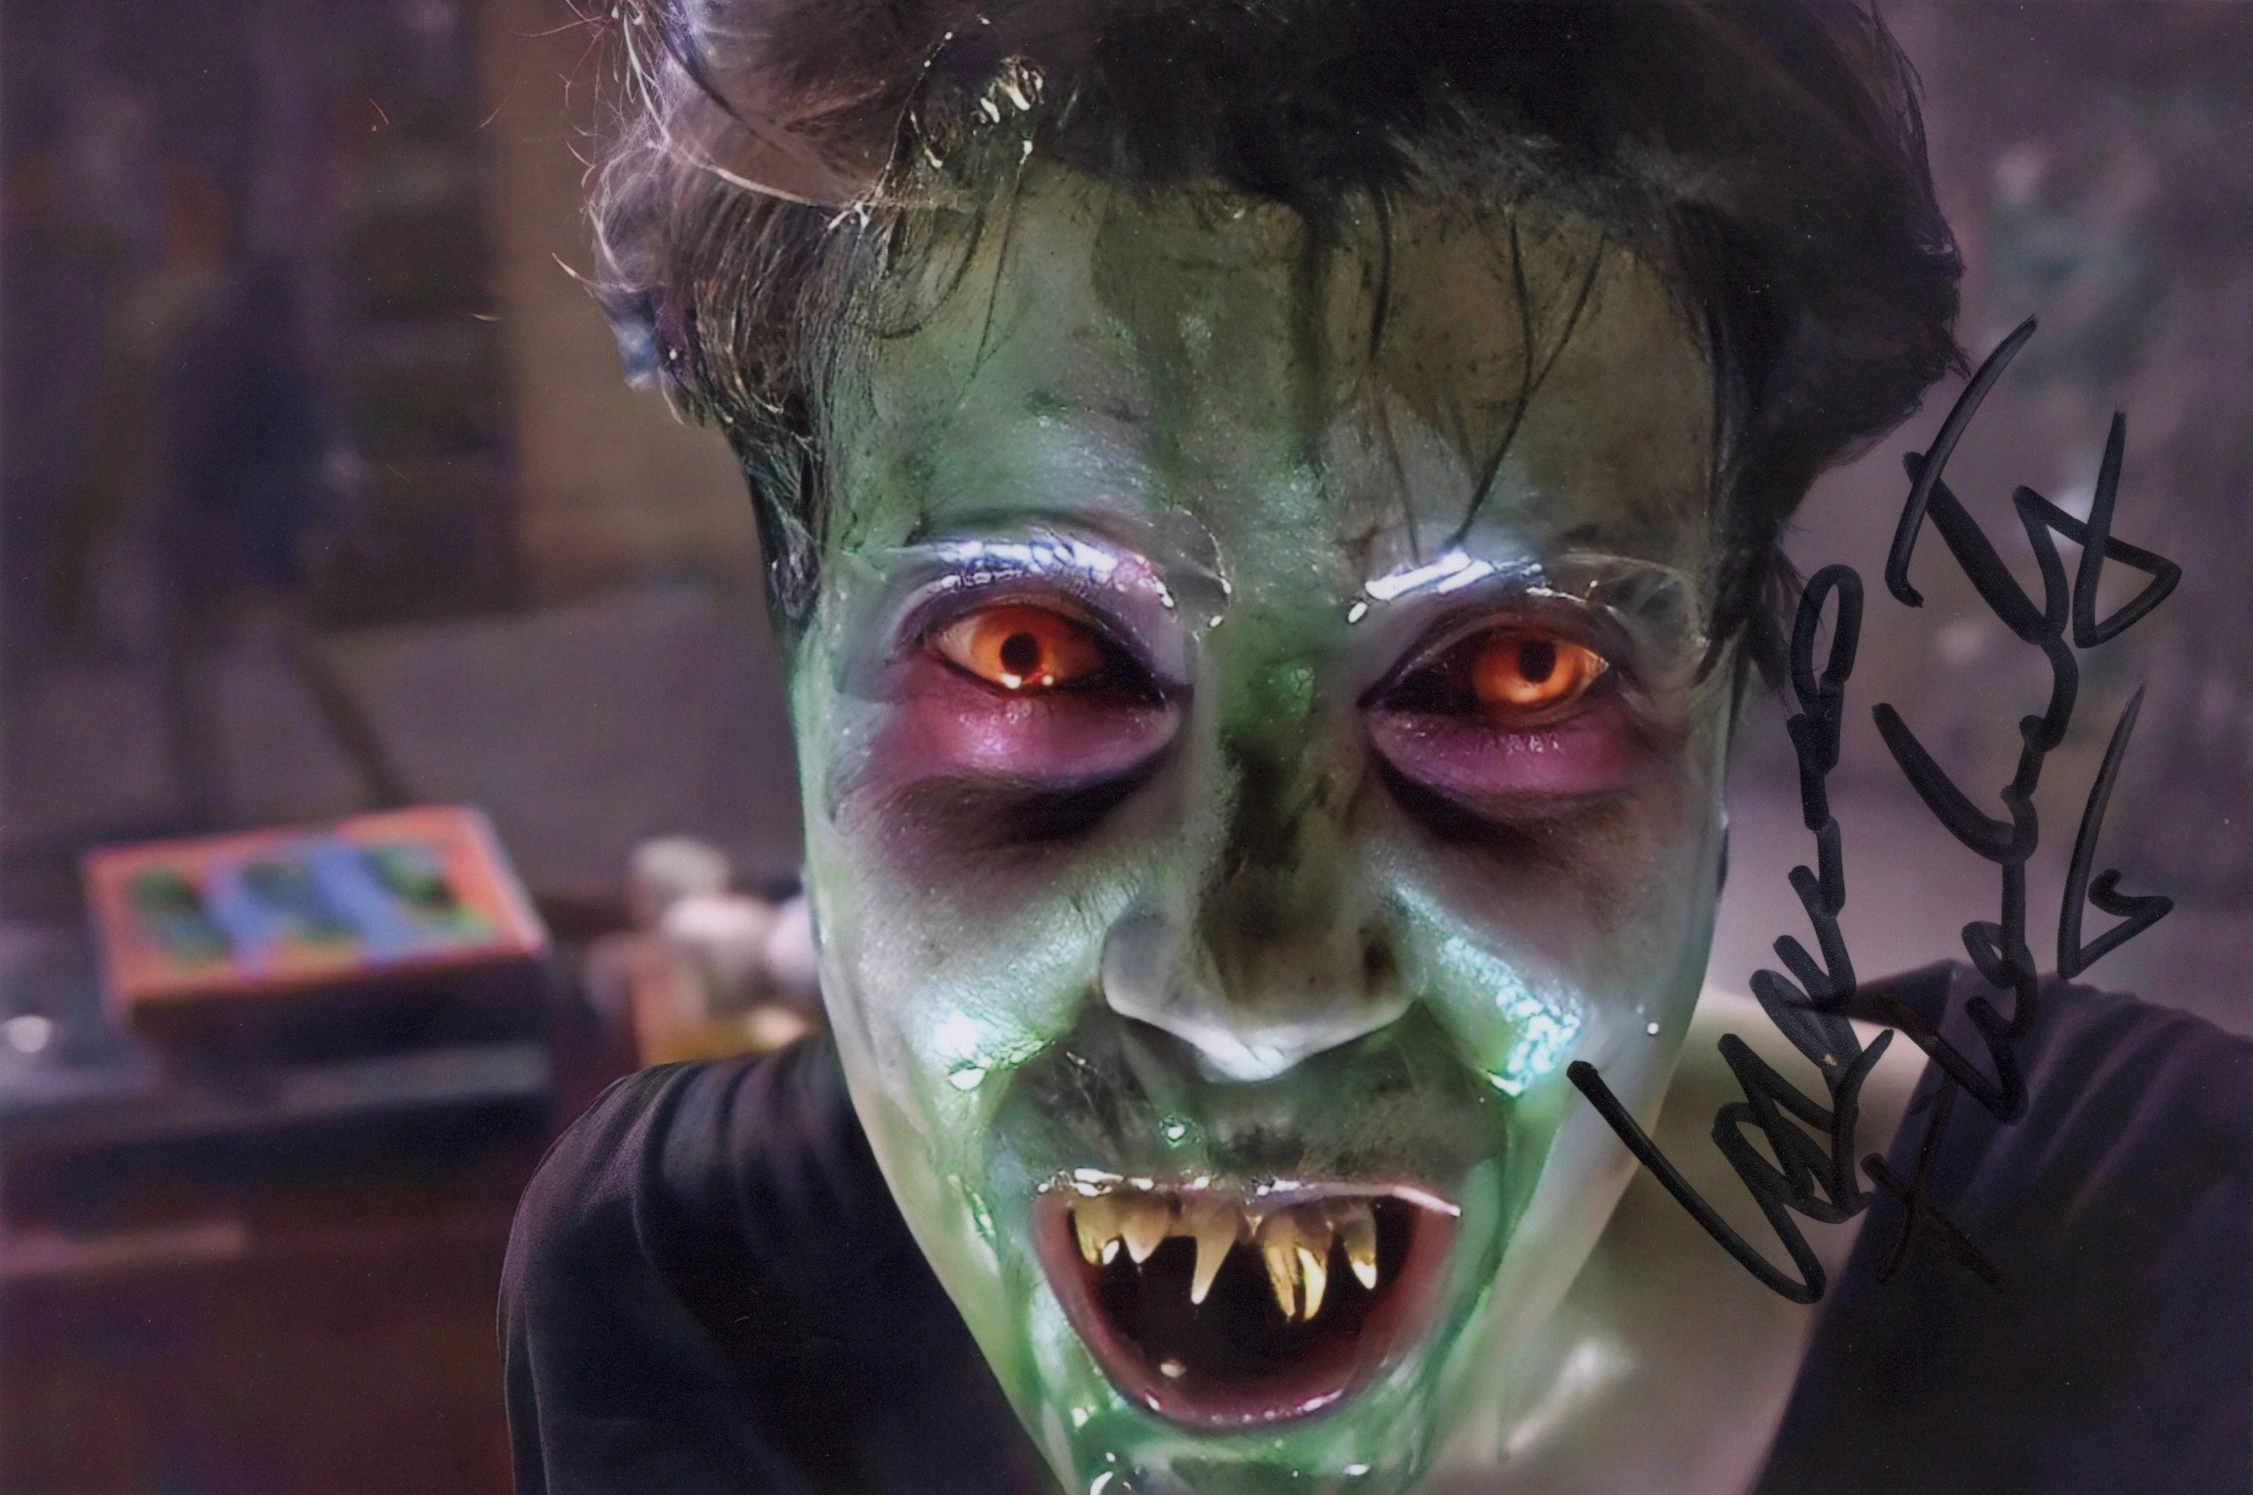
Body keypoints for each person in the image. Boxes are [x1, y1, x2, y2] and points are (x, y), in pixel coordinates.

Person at [502, 2, 2252, 1491]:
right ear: (800, 676)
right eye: (1034, 654)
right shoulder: (689, 1315)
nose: (1252, 991)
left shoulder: (2146, 1291)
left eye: (1511, 673)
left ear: (1727, 734)